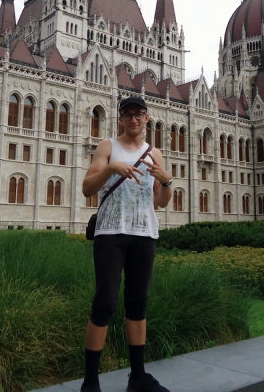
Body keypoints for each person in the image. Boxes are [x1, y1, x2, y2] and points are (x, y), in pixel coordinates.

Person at [81, 96, 173, 392]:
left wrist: (167, 181)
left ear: (147, 118)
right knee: (105, 302)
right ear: (120, 118)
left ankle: (138, 377)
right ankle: (91, 382)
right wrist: (111, 169)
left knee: (137, 303)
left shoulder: (154, 153)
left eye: (139, 114)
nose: (134, 119)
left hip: (144, 234)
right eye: (128, 115)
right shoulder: (108, 147)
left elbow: (159, 201)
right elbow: (87, 189)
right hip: (110, 234)